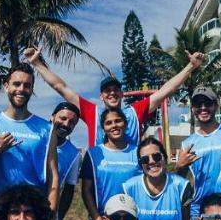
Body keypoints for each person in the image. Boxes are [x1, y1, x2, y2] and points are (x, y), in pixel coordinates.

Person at [23, 45, 207, 148]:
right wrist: (37, 63)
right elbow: (60, 87)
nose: (112, 93)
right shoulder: (92, 112)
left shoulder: (135, 112)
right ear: (101, 96)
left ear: (121, 93)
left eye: (115, 90)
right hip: (101, 177)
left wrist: (191, 66)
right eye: (107, 91)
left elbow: (167, 89)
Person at [0, 64, 52, 198]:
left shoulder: (47, 128)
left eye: (27, 85)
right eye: (16, 84)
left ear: (31, 89)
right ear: (6, 86)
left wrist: (51, 214)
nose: (21, 89)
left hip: (34, 205)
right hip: (0, 204)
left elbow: (53, 175)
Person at [122, 136, 192, 220]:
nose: (152, 162)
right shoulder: (129, 188)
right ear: (140, 164)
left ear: (164, 157)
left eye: (156, 156)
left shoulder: (182, 186)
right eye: (145, 159)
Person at [176, 86, 221, 220]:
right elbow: (182, 181)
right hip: (199, 211)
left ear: (216, 105)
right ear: (192, 108)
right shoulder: (187, 143)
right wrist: (179, 167)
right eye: (198, 104)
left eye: (208, 103)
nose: (203, 108)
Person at [79, 106, 140, 220]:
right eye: (108, 123)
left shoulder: (139, 152)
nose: (114, 125)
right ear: (103, 128)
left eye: (118, 121)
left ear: (125, 124)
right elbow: (86, 190)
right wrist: (97, 218)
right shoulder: (93, 153)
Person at [44, 101, 84, 220]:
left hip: (46, 216)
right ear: (52, 117)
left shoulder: (73, 154)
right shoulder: (36, 139)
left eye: (72, 122)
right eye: (63, 118)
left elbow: (69, 190)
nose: (66, 124)